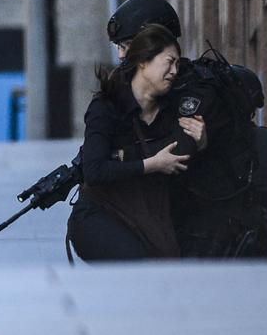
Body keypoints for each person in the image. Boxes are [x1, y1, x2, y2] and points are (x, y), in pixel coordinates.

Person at [106, 0, 267, 258]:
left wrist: (118, 157)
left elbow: (176, 152)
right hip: (185, 222)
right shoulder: (149, 94)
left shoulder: (194, 92)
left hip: (217, 228)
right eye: (119, 48)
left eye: (127, 46)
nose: (122, 57)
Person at [67, 24, 207, 261]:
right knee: (137, 263)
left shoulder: (172, 109)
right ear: (144, 61)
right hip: (102, 214)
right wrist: (152, 164)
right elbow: (94, 171)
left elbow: (183, 162)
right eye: (169, 62)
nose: (174, 71)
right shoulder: (106, 108)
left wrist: (201, 143)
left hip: (151, 218)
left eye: (177, 65)